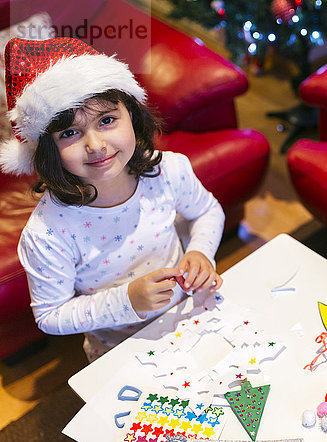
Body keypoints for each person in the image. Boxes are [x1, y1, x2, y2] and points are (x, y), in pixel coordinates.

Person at [0, 37, 225, 361]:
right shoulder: (47, 232)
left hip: (189, 317)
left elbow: (206, 211)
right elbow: (50, 315)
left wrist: (200, 251)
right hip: (119, 351)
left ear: (131, 116)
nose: (95, 144)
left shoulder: (169, 170)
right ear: (47, 150)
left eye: (106, 120)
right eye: (70, 133)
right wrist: (128, 301)